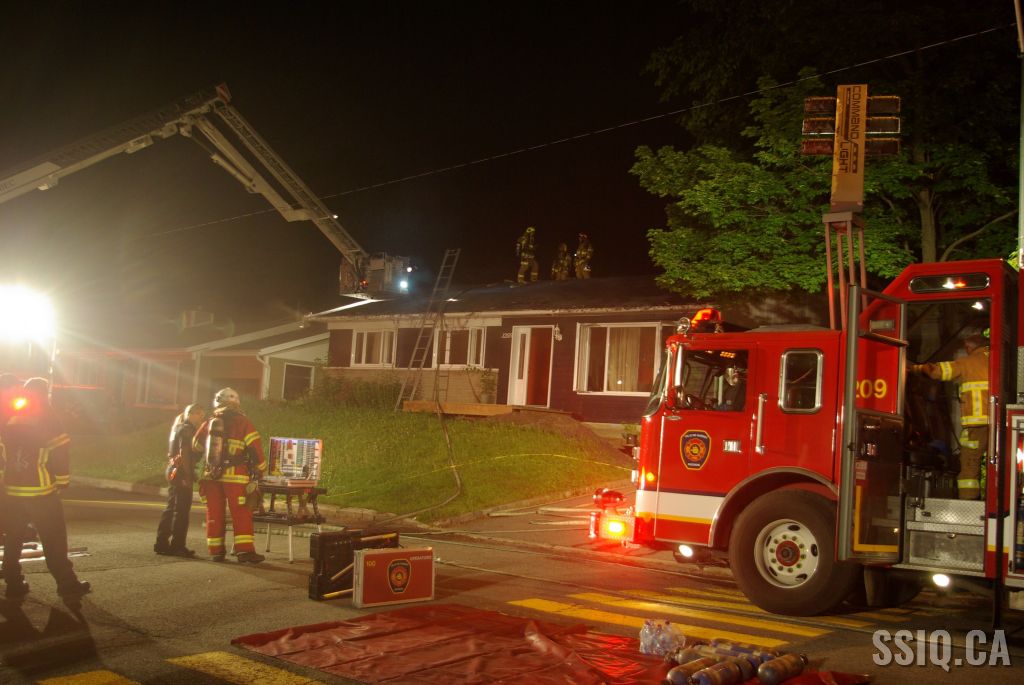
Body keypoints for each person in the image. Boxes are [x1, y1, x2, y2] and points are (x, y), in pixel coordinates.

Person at [1, 377, 90, 600]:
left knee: (13, 538)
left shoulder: (11, 418)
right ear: (45, 393)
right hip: (41, 491)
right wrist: (62, 481)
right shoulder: (47, 417)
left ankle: (13, 582)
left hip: (13, 490)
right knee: (54, 538)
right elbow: (60, 452)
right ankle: (67, 584)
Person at [911, 334, 989, 500]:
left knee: (969, 465)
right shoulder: (995, 361)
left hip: (977, 424)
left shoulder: (968, 362)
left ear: (969, 347)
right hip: (998, 424)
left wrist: (916, 368)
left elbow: (938, 371)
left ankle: (968, 502)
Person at [192, 388, 267, 563]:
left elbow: (196, 446)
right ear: (236, 403)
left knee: (214, 513)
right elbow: (255, 449)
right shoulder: (243, 422)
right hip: (236, 477)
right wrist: (261, 469)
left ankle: (216, 551)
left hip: (211, 476)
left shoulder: (210, 422)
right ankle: (244, 552)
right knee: (241, 513)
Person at [154, 403, 206, 557]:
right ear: (190, 414)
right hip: (181, 472)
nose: (201, 419)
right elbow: (185, 453)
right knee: (181, 511)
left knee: (171, 508)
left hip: (173, 470)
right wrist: (188, 475)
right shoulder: (188, 430)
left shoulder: (178, 427)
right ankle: (178, 545)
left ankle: (161, 543)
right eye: (199, 415)